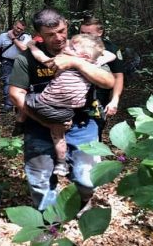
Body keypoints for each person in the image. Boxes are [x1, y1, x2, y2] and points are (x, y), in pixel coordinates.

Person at [8, 8, 114, 212]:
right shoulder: (27, 58)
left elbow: (108, 81)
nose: (58, 38)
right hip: (40, 124)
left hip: (83, 123)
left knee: (87, 177)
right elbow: (16, 94)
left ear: (66, 24)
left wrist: (75, 62)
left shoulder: (84, 48)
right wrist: (46, 122)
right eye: (50, 34)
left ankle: (84, 204)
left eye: (62, 30)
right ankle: (48, 222)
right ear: (39, 34)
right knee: (40, 179)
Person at [18, 34, 116, 176]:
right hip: (70, 110)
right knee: (59, 137)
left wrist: (32, 46)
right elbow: (111, 55)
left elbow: (41, 57)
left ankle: (60, 162)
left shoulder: (63, 63)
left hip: (47, 105)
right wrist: (92, 54)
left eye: (71, 47)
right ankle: (62, 164)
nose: (66, 46)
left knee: (27, 99)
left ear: (84, 56)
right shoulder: (93, 65)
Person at [79, 16, 125, 139]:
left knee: (95, 128)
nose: (84, 37)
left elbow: (118, 76)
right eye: (82, 33)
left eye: (89, 33)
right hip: (75, 94)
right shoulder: (75, 45)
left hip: (98, 96)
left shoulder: (111, 49)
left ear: (100, 32)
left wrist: (114, 100)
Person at [0, 20, 32, 113]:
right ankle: (8, 105)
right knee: (7, 81)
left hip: (21, 62)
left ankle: (18, 104)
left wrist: (13, 38)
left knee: (20, 83)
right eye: (17, 27)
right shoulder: (3, 36)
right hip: (6, 61)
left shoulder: (26, 37)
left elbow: (24, 48)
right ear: (14, 26)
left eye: (21, 29)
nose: (18, 30)